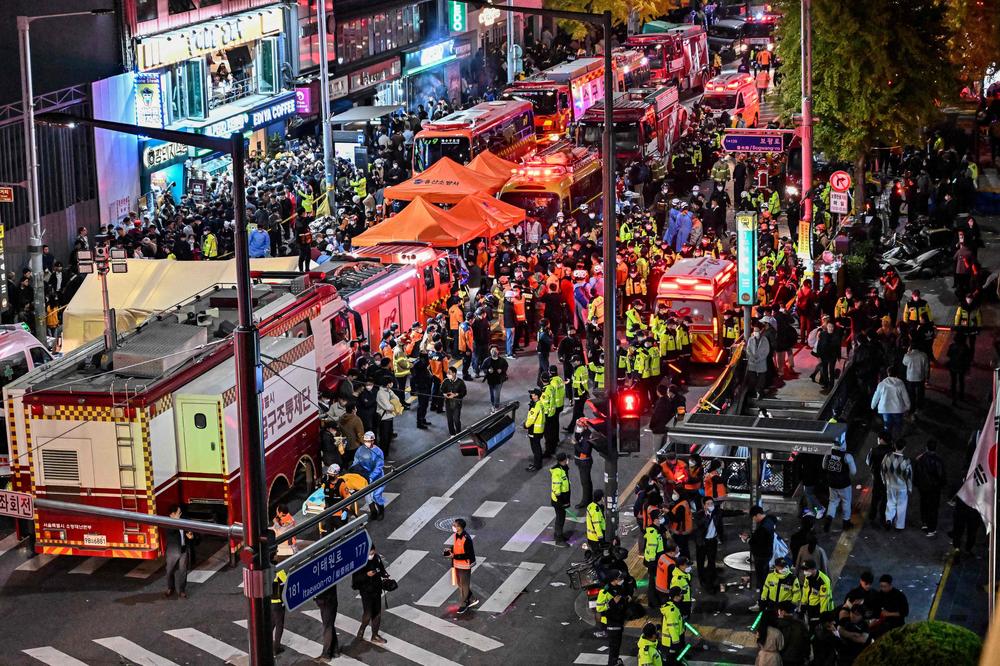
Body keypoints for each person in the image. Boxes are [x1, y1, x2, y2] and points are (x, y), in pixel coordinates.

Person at [352, 543, 388, 644]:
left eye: (373, 552)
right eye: (370, 553)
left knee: (377, 614)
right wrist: (366, 575)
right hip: (366, 592)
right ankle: (361, 630)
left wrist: (385, 574)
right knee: (368, 614)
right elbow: (355, 581)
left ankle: (375, 635)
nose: (372, 554)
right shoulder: (360, 562)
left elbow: (381, 569)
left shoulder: (377, 558)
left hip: (376, 589)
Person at [595, 569, 630, 666]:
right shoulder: (604, 592)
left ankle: (615, 660)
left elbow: (620, 598)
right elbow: (599, 607)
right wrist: (611, 603)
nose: (621, 579)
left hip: (618, 619)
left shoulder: (619, 587)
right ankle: (612, 663)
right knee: (614, 645)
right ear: (613, 580)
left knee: (617, 645)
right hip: (610, 622)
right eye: (619, 578)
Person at [164, 505, 197, 599]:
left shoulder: (183, 520)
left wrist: (190, 536)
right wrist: (177, 522)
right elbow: (172, 532)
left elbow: (190, 530)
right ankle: (170, 588)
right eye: (179, 513)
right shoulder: (168, 523)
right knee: (169, 571)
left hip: (183, 549)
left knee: (183, 571)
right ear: (172, 515)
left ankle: (182, 590)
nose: (181, 514)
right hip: (173, 551)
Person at [446, 518, 479, 612]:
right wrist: (450, 550)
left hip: (465, 564)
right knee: (459, 583)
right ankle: (472, 598)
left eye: (455, 525)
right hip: (457, 563)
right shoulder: (456, 535)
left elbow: (467, 555)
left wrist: (454, 555)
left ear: (460, 527)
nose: (453, 527)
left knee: (464, 584)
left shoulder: (466, 538)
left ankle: (465, 603)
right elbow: (456, 546)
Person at [913, 440, 946, 537]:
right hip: (934, 489)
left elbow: (917, 473)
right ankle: (932, 529)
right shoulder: (938, 460)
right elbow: (941, 476)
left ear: (926, 447)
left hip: (923, 487)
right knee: (933, 508)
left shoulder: (921, 459)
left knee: (924, 504)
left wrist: (917, 484)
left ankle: (924, 523)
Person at [822, 442, 857, 531]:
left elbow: (824, 466)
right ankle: (846, 523)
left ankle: (828, 519)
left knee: (833, 501)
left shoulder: (828, 452)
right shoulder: (847, 456)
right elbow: (853, 472)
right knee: (846, 502)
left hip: (832, 483)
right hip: (844, 484)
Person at [694, 496, 724, 593]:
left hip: (712, 541)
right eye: (708, 504)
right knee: (701, 562)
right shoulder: (699, 514)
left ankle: (710, 582)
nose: (711, 505)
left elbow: (728, 513)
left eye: (712, 503)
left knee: (711, 562)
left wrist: (742, 511)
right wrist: (707, 515)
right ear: (704, 505)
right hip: (702, 542)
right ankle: (702, 579)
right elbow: (699, 524)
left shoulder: (717, 512)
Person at [881, 439, 912, 530]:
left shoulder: (887, 457)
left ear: (894, 446)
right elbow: (909, 477)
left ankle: (889, 519)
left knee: (890, 502)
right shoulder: (906, 461)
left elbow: (882, 470)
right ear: (904, 447)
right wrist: (909, 488)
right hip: (902, 487)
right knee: (901, 506)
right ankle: (899, 525)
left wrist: (884, 481)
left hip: (890, 485)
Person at [871, 367, 910, 440]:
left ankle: (887, 440)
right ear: (897, 374)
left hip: (885, 409)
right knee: (898, 425)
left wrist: (873, 405)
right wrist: (908, 406)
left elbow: (876, 395)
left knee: (887, 425)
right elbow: (905, 396)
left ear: (888, 373)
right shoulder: (900, 383)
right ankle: (898, 439)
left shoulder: (882, 384)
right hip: (897, 409)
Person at [792, 559, 833, 627]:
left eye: (807, 570)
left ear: (814, 569)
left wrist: (822, 615)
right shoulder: (808, 577)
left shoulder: (823, 581)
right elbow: (805, 592)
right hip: (810, 607)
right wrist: (803, 606)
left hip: (819, 608)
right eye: (804, 570)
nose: (805, 572)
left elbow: (824, 600)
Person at [869, 574, 909, 639]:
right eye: (881, 586)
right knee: (868, 631)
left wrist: (888, 614)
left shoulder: (899, 595)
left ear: (890, 586)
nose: (883, 588)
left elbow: (905, 612)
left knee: (876, 633)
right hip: (884, 621)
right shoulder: (881, 594)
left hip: (896, 623)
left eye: (885, 586)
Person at [866, 431, 892, 528]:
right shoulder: (892, 451)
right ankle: (883, 517)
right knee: (885, 499)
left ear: (881, 439)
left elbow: (868, 462)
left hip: (877, 478)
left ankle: (872, 516)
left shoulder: (874, 450)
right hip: (888, 479)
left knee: (875, 499)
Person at [748, 506, 776, 597]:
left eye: (754, 517)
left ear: (758, 515)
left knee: (762, 579)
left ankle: (763, 600)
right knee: (765, 576)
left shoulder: (763, 528)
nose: (754, 519)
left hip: (761, 556)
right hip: (767, 554)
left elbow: (757, 542)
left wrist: (748, 539)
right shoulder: (769, 521)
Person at [774, 600, 809, 666]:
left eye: (779, 611)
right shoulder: (801, 624)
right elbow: (807, 642)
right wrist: (806, 656)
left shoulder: (779, 625)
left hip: (784, 659)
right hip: (799, 658)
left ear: (783, 612)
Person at [660, 587, 687, 664]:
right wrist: (676, 643)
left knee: (674, 658)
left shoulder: (673, 605)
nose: (682, 596)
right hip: (671, 642)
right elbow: (672, 628)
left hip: (673, 640)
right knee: (672, 660)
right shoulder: (672, 611)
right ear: (676, 597)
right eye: (681, 595)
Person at [573, 418, 595, 509]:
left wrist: (575, 444)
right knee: (586, 481)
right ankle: (588, 498)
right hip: (581, 461)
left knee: (585, 482)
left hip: (584, 462)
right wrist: (577, 433)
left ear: (585, 427)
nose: (578, 428)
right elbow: (577, 437)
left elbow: (584, 450)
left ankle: (585, 501)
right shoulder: (583, 433)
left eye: (580, 426)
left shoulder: (587, 436)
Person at [314, 584, 340, 659]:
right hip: (332, 599)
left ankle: (326, 655)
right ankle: (335, 651)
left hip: (326, 601)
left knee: (327, 627)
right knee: (330, 624)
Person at [901, 344, 929, 413]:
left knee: (911, 393)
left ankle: (912, 407)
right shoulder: (924, 355)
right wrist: (926, 376)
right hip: (920, 377)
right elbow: (926, 368)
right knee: (920, 392)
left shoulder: (908, 355)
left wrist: (907, 352)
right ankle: (919, 406)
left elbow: (904, 363)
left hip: (910, 377)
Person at [551, 452, 571, 547]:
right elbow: (556, 488)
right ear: (563, 460)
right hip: (559, 500)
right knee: (560, 518)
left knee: (561, 517)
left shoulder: (563, 469)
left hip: (563, 498)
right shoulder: (557, 471)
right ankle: (559, 539)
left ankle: (558, 535)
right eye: (566, 459)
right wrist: (560, 501)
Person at [746, 321, 770, 399]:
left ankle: (759, 392)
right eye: (754, 331)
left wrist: (759, 359)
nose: (755, 332)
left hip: (761, 362)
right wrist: (752, 358)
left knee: (761, 379)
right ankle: (753, 392)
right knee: (752, 379)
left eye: (756, 331)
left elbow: (766, 351)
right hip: (752, 362)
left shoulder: (764, 340)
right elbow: (748, 350)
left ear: (760, 331)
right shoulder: (750, 339)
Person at [440, 366, 467, 435]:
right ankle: (452, 434)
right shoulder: (445, 381)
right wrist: (445, 394)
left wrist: (455, 394)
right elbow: (441, 390)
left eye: (449, 373)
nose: (447, 374)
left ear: (454, 373)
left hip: (457, 404)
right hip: (448, 403)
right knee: (449, 420)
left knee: (456, 420)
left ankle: (458, 433)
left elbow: (464, 392)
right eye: (447, 373)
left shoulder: (460, 382)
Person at [481, 346, 509, 411]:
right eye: (492, 350)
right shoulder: (487, 360)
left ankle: (496, 406)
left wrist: (502, 370)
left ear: (498, 351)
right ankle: (493, 403)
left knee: (497, 393)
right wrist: (487, 370)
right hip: (490, 380)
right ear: (490, 352)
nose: (494, 351)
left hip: (499, 380)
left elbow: (506, 366)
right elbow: (483, 368)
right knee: (492, 393)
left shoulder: (502, 360)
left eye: (495, 350)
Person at [524, 388, 546, 471]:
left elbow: (531, 419)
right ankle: (537, 463)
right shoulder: (540, 403)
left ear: (536, 396)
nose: (531, 395)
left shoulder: (535, 406)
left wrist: (525, 425)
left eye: (532, 394)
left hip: (534, 430)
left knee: (535, 448)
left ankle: (537, 465)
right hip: (539, 429)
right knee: (537, 447)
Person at [271, 550, 288, 654]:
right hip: (278, 602)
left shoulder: (266, 570)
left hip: (269, 602)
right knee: (279, 625)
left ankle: (266, 644)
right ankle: (276, 647)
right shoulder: (278, 571)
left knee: (272, 623)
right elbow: (286, 581)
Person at [587, 489, 607, 554]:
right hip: (596, 538)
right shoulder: (596, 512)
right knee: (599, 556)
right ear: (601, 498)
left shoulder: (590, 505)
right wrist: (601, 539)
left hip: (590, 536)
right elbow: (597, 526)